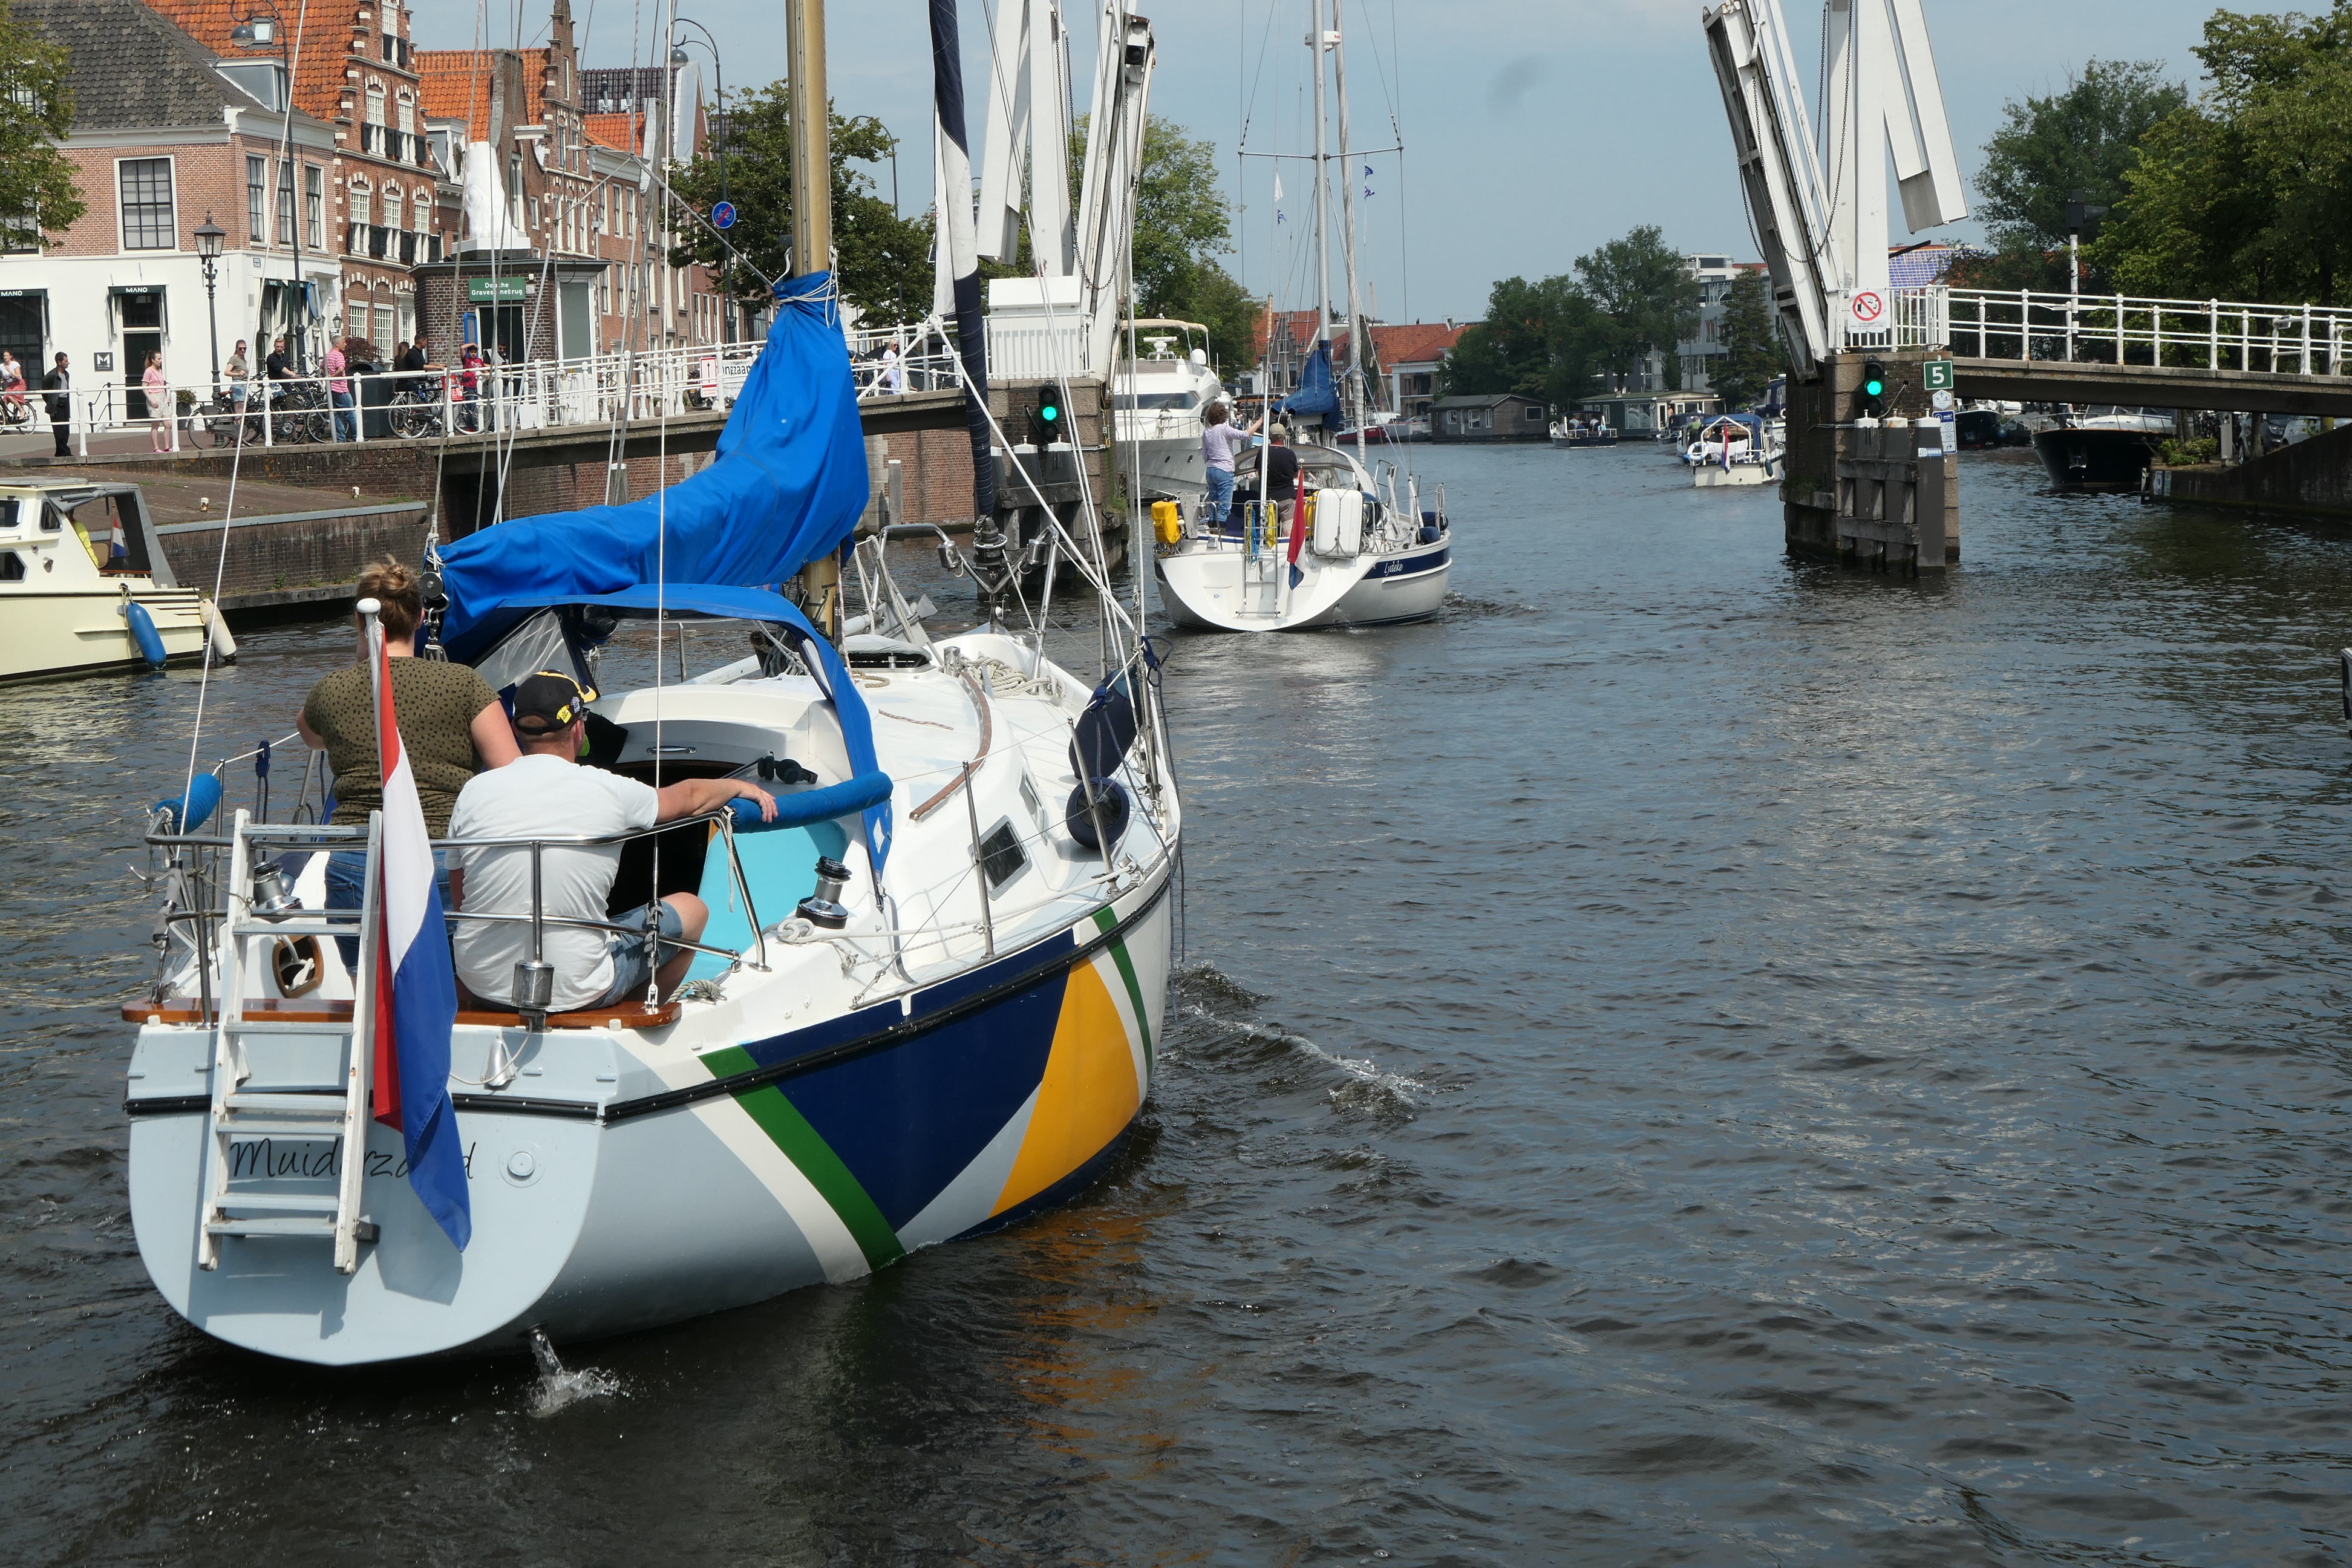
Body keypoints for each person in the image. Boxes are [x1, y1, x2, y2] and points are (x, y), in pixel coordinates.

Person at [446, 671, 777, 1012]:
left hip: (482, 984)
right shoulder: (609, 789)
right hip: (579, 989)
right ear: (578, 729)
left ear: (516, 730)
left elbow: (462, 900)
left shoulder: (473, 791)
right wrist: (741, 786)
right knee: (693, 910)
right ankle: (629, 1013)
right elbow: (690, 797)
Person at [296, 559, 521, 967]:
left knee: (367, 986)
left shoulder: (331, 691)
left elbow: (311, 737)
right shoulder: (463, 684)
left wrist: (363, 660)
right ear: (420, 618)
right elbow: (511, 774)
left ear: (359, 621)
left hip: (355, 861)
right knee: (445, 984)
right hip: (440, 857)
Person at [1198, 399, 1263, 534]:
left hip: (1211, 470)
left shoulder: (1206, 432)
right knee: (1225, 505)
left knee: (1214, 502)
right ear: (1223, 415)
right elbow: (1245, 435)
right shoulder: (1224, 429)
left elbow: (1205, 456)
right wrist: (1261, 421)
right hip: (1224, 469)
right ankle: (1220, 532)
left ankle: (1212, 530)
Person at [1260, 422, 1302, 538]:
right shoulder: (1290, 454)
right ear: (1284, 437)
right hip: (1287, 497)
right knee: (1288, 527)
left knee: (1269, 527)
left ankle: (1269, 546)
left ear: (1270, 437)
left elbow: (1260, 472)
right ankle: (1287, 546)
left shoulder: (1263, 452)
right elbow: (1295, 474)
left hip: (1268, 497)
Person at [325, 336, 354, 442]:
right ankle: (357, 437)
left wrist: (328, 376)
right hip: (341, 389)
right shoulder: (339, 355)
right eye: (343, 342)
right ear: (337, 344)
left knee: (337, 414)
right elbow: (341, 368)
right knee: (351, 413)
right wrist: (333, 377)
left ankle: (341, 438)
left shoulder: (328, 355)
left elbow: (322, 367)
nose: (345, 344)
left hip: (331, 389)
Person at [41, 351, 70, 459]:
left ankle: (60, 452)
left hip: (65, 403)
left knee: (66, 429)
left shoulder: (66, 374)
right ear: (59, 362)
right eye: (66, 361)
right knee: (59, 429)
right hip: (57, 405)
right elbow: (45, 389)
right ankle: (66, 452)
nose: (68, 363)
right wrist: (51, 402)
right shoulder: (52, 375)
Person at [142, 351, 169, 453]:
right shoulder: (149, 371)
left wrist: (166, 397)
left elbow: (162, 385)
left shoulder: (160, 371)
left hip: (162, 397)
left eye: (161, 359)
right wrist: (151, 400)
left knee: (168, 424)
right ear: (153, 360)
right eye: (159, 359)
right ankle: (156, 448)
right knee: (155, 425)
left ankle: (167, 447)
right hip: (154, 396)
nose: (161, 361)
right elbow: (144, 387)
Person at [457, 342, 484, 432]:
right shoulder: (466, 360)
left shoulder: (479, 360)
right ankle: (471, 427)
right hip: (469, 386)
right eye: (471, 352)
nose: (473, 354)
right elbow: (462, 348)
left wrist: (489, 375)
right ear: (469, 352)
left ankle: (477, 425)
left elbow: (484, 370)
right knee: (471, 408)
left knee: (477, 406)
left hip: (477, 386)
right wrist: (473, 344)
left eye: (475, 352)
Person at [224, 341, 250, 410]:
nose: (243, 350)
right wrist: (238, 374)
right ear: (236, 349)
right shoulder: (234, 359)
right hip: (238, 386)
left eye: (245, 348)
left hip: (244, 386)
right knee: (240, 412)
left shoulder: (243, 360)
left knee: (244, 411)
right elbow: (226, 372)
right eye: (240, 348)